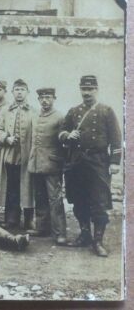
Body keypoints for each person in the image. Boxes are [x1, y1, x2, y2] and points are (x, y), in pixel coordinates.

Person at [59, 75, 121, 257]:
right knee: (79, 200)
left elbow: (116, 140)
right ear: (80, 90)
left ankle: (98, 241)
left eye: (90, 89)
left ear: (96, 89)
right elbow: (62, 132)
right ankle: (84, 235)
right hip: (77, 162)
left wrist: (115, 163)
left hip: (98, 162)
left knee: (99, 202)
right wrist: (67, 136)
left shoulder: (106, 111)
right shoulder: (73, 111)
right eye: (84, 89)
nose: (86, 93)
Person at [0, 79, 37, 230]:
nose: (19, 92)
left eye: (22, 90)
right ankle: (11, 218)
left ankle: (29, 219)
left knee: (28, 186)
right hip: (10, 154)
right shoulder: (5, 110)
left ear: (27, 92)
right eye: (17, 90)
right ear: (12, 92)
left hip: (27, 155)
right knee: (11, 186)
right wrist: (7, 138)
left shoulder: (33, 111)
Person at [27, 88, 67, 245]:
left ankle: (60, 232)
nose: (44, 100)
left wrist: (60, 161)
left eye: (48, 97)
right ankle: (42, 228)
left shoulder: (59, 117)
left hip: (52, 164)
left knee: (55, 199)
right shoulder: (35, 116)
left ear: (54, 98)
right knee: (40, 196)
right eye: (42, 98)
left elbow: (63, 142)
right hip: (36, 163)